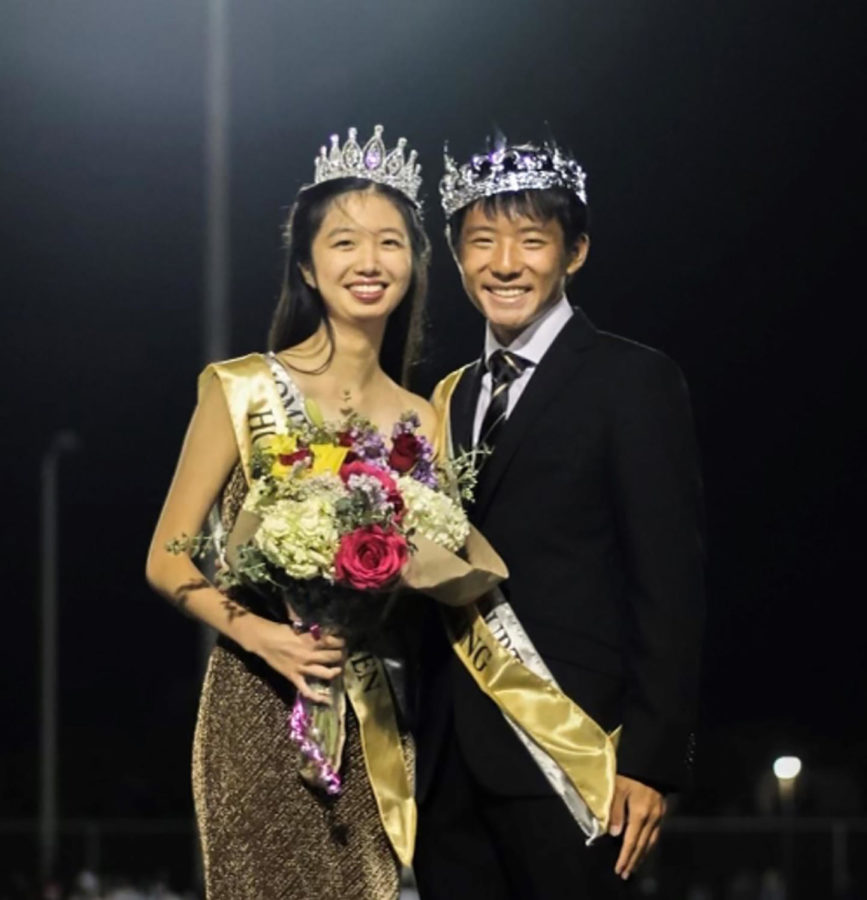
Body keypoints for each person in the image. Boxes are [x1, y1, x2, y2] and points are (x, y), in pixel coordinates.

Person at [146, 124, 434, 899]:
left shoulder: (427, 419)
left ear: (412, 263)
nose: (368, 262)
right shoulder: (239, 389)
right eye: (344, 242)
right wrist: (266, 636)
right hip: (256, 705)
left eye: (389, 242)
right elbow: (166, 558)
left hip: (374, 710)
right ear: (307, 265)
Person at [413, 138, 705, 898]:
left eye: (531, 240)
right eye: (481, 240)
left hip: (575, 759)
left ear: (573, 252)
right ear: (456, 257)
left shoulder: (631, 380)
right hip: (447, 760)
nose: (504, 263)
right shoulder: (445, 398)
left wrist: (650, 758)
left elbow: (668, 581)